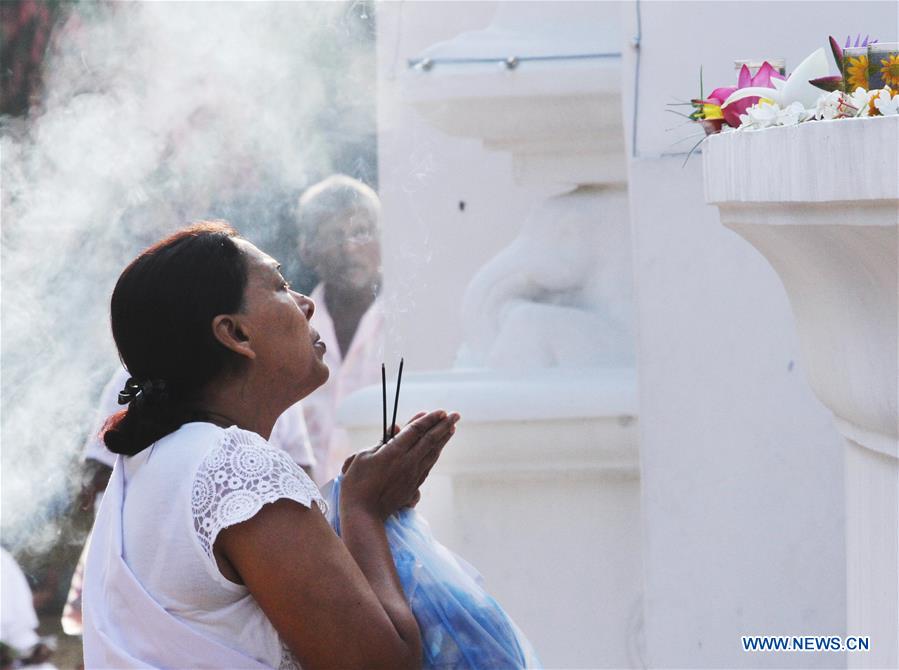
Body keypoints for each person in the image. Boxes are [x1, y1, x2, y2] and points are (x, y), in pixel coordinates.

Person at [82, 222, 460, 669]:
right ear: (235, 334)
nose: (308, 304)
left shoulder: (148, 462)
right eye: (281, 286)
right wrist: (364, 510)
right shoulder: (238, 468)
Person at [295, 175, 384, 485]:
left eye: (361, 232)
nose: (349, 248)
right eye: (334, 236)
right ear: (306, 249)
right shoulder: (289, 331)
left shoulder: (407, 325)